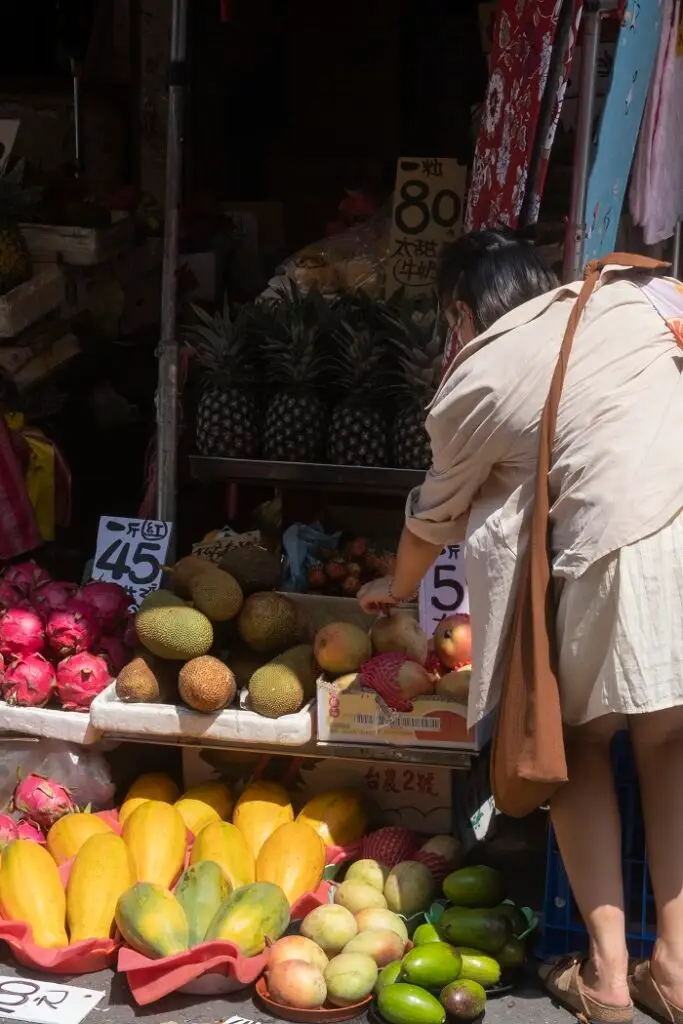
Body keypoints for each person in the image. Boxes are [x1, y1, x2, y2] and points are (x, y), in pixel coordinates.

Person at [357, 229, 683, 1024]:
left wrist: (391, 590)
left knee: (571, 753)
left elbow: (430, 521)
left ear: (461, 311)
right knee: (669, 747)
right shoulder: (631, 297)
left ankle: (607, 977)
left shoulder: (480, 374)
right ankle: (674, 971)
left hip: (613, 563)